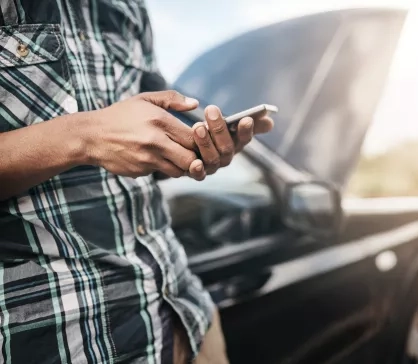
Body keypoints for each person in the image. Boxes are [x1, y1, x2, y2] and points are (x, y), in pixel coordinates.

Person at [0, 1, 273, 363]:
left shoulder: (128, 7)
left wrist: (195, 150)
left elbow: (143, 148)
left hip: (187, 317)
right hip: (62, 341)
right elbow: (101, 136)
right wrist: (83, 136)